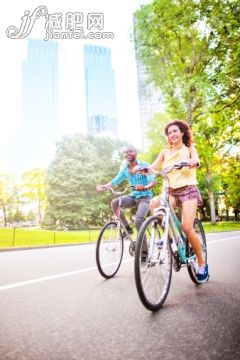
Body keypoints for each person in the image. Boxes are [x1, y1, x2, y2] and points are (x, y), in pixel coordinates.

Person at [134, 120, 209, 283]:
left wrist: (191, 161)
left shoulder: (189, 148)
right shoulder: (164, 152)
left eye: (175, 131)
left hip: (188, 189)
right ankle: (168, 237)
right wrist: (142, 169)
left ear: (182, 132)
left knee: (187, 227)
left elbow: (195, 160)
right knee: (155, 203)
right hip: (171, 190)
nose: (172, 134)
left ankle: (202, 265)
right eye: (169, 133)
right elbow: (153, 168)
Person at [96, 145, 156, 239]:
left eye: (130, 151)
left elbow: (153, 181)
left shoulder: (144, 165)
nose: (128, 153)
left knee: (138, 221)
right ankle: (127, 228)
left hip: (145, 198)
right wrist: (105, 186)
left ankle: (144, 252)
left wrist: (144, 187)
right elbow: (116, 180)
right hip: (133, 196)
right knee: (115, 203)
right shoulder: (125, 169)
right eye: (126, 152)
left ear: (135, 153)